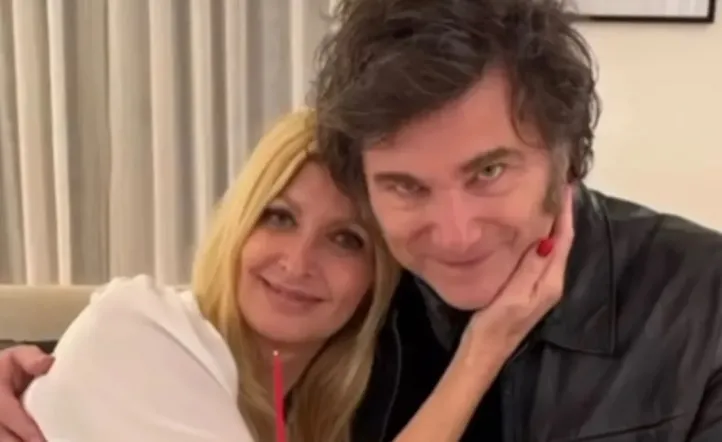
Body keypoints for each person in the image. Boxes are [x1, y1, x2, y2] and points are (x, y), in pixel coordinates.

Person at [2, 0, 721, 440]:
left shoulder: (700, 302)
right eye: (406, 186)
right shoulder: (363, 311)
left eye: (489, 172)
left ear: (568, 160)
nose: (455, 233)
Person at [0, 108, 574, 442]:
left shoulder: (327, 403)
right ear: (238, 221)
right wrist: (485, 349)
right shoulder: (139, 327)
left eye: (346, 240)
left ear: (376, 278)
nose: (298, 263)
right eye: (279, 217)